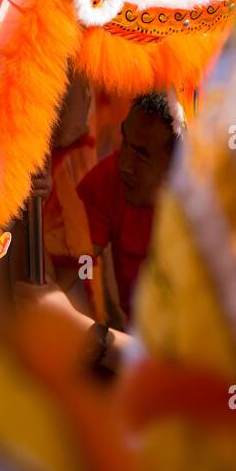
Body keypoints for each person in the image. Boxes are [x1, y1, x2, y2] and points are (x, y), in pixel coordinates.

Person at [76, 92, 178, 326]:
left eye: (142, 155)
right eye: (125, 142)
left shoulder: (211, 195)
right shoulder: (107, 180)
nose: (125, 165)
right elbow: (76, 274)